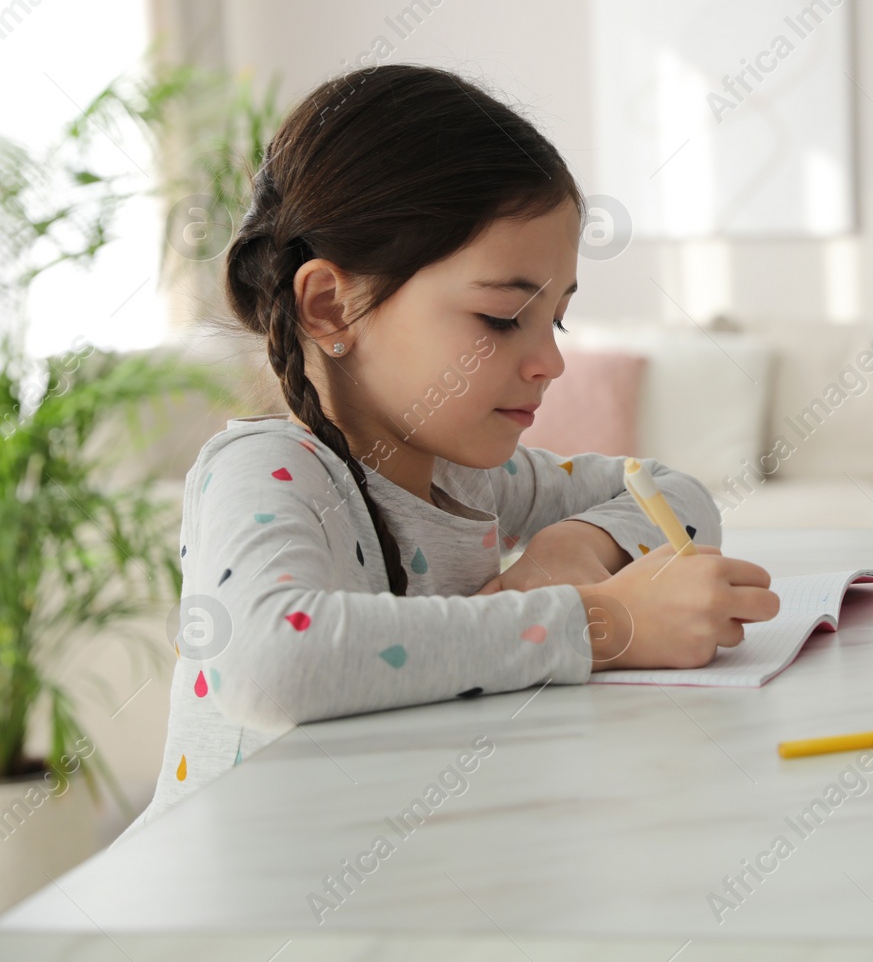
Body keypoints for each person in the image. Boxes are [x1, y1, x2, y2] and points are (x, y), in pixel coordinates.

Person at [120, 64, 778, 837]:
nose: (549, 362)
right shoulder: (268, 472)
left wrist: (577, 543)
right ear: (332, 306)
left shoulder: (475, 478)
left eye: (556, 321)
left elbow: (676, 493)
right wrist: (593, 622)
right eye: (503, 318)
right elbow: (270, 662)